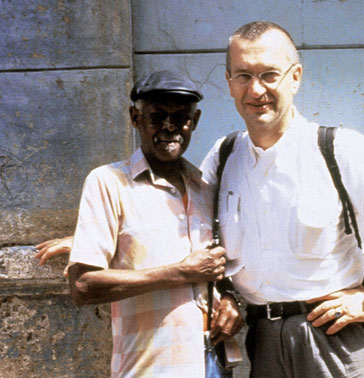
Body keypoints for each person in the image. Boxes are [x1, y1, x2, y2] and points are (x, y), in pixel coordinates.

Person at [200, 21, 364, 378]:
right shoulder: (223, 156)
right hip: (262, 341)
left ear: (296, 77)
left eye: (269, 75)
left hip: (335, 340)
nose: (256, 89)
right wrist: (224, 294)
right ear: (229, 82)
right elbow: (196, 238)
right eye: (243, 75)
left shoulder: (337, 149)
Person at [66, 70, 243, 378]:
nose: (169, 127)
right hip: (150, 369)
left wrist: (231, 299)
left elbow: (222, 270)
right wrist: (182, 273)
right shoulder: (109, 183)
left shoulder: (206, 189)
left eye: (180, 118)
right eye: (157, 117)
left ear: (195, 121)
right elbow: (83, 286)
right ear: (135, 118)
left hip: (213, 366)